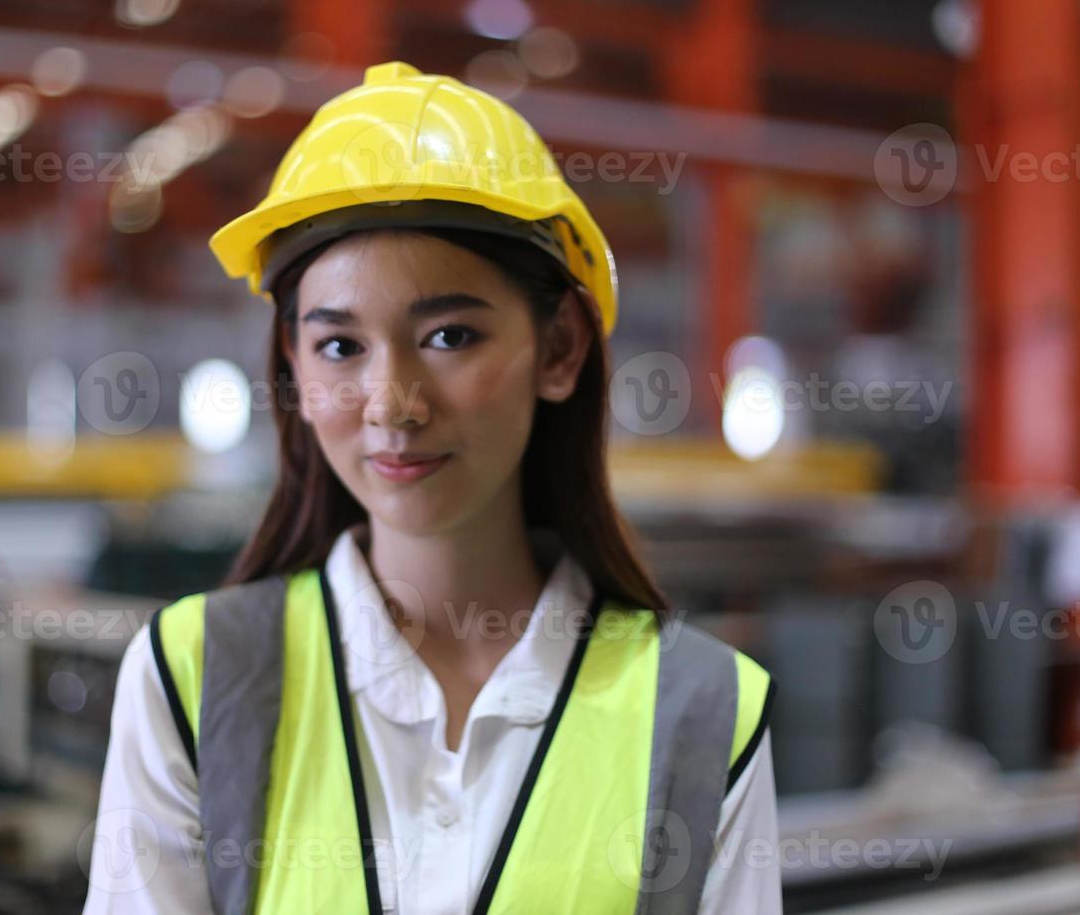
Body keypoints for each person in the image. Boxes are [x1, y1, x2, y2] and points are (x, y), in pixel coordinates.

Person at [83, 61, 780, 914]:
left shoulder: (706, 711)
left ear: (559, 349)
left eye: (450, 336)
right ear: (293, 370)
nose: (393, 405)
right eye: (341, 347)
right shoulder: (192, 678)